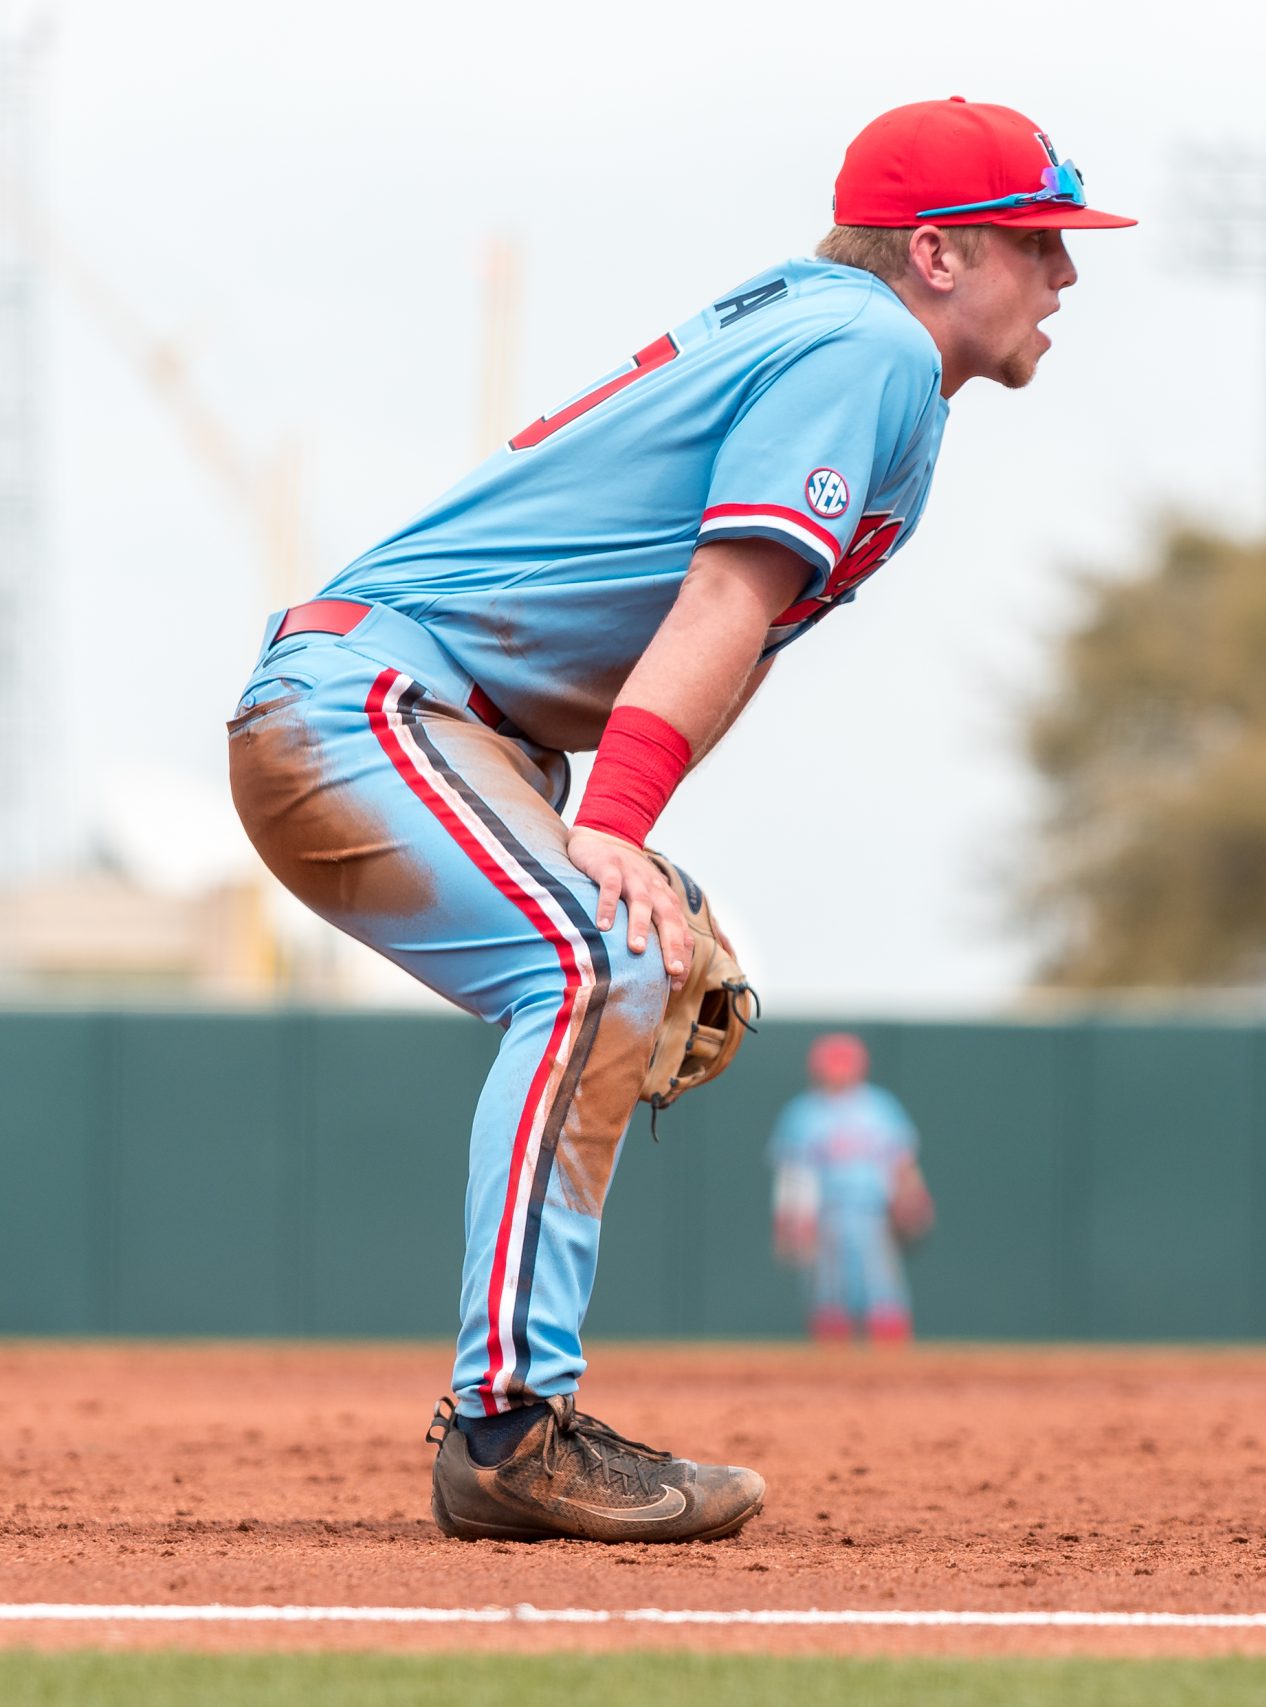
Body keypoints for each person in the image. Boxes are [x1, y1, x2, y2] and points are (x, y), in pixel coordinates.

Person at [224, 98, 1132, 1542]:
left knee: (621, 956)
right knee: (591, 962)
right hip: (375, 703)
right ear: (942, 253)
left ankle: (519, 1414)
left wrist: (629, 836)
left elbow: (730, 639)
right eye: (1040, 241)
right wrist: (621, 823)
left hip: (440, 722)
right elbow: (721, 595)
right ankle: (510, 1430)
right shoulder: (873, 344)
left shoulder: (845, 340)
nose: (1068, 276)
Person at [771, 1033, 928, 1346]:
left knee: (882, 1289)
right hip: (824, 1214)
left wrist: (913, 1197)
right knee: (827, 1293)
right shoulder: (803, 1113)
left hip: (873, 1211)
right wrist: (788, 1219)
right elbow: (792, 1174)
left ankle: (895, 1368)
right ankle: (832, 1372)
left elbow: (902, 1161)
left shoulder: (880, 1107)